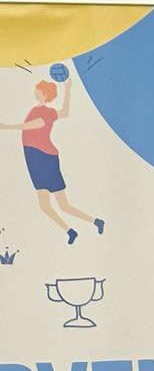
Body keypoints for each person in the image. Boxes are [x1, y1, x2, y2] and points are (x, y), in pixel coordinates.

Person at [0, 71, 104, 242]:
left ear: (44, 94)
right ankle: (72, 231)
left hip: (44, 157)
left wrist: (7, 126)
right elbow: (64, 112)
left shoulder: (46, 113)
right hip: (33, 156)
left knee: (63, 205)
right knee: (45, 205)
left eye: (38, 89)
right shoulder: (37, 109)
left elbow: (34, 125)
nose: (36, 91)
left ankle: (95, 222)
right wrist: (68, 89)